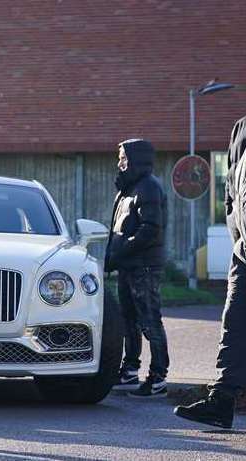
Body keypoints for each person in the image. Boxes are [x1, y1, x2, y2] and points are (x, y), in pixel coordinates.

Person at [174, 115, 246, 429]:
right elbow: (234, 191)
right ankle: (222, 400)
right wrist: (236, 235)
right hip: (244, 249)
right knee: (235, 324)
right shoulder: (241, 130)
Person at [106, 139, 170, 398]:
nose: (120, 162)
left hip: (144, 267)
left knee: (149, 321)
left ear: (136, 159)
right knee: (127, 320)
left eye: (123, 157)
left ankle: (158, 378)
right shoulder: (128, 188)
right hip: (128, 266)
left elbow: (151, 230)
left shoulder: (149, 188)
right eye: (119, 157)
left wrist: (123, 250)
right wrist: (115, 256)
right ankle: (130, 370)